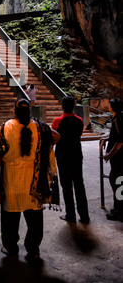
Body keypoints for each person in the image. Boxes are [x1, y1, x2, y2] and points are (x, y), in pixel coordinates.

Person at [0, 99, 60, 263]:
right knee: (35, 221)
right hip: (34, 183)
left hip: (11, 182)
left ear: (14, 111)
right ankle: (33, 251)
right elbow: (57, 137)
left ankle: (11, 250)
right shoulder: (40, 128)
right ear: (30, 111)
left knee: (10, 221)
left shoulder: (5, 127)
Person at [52, 96, 90, 224]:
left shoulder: (57, 121)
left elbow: (53, 137)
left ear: (62, 106)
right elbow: (79, 135)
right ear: (74, 106)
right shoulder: (79, 120)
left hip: (63, 156)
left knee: (66, 185)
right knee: (79, 184)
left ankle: (71, 214)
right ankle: (84, 216)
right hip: (76, 154)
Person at [101, 98, 123, 221]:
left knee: (119, 183)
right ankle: (118, 208)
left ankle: (120, 212)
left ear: (112, 107)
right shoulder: (119, 118)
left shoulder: (118, 119)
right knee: (116, 181)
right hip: (119, 159)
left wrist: (109, 154)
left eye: (109, 104)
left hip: (119, 158)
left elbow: (120, 140)